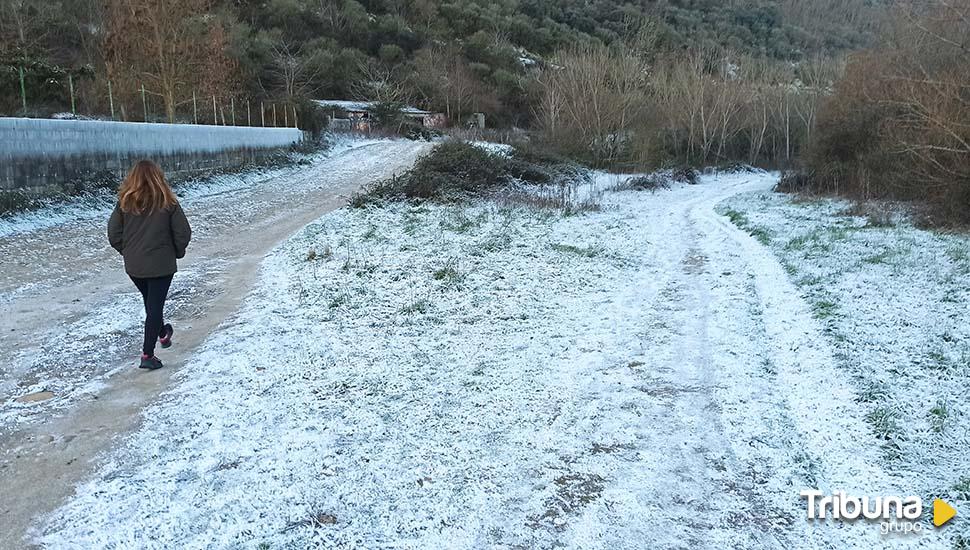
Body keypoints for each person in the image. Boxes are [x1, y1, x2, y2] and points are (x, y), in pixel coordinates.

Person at [107, 160, 192, 370]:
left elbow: (113, 234)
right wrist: (177, 252)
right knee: (154, 306)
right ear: (158, 177)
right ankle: (147, 354)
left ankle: (163, 333)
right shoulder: (168, 202)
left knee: (151, 302)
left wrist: (127, 252)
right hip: (162, 264)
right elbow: (183, 232)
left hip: (135, 267)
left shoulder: (124, 203)